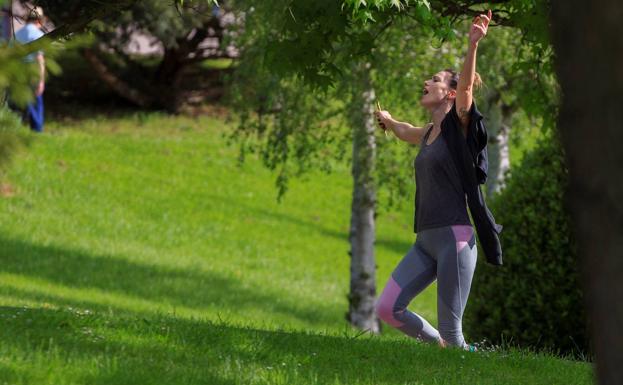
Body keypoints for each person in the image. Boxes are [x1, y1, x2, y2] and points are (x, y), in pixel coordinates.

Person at [374, 10, 502, 351]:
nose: (426, 82)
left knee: (453, 332)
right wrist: (387, 120)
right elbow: (405, 132)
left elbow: (466, 102)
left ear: (448, 93)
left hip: (455, 240)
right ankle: (444, 351)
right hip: (425, 239)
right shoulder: (428, 132)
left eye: (434, 79)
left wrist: (472, 45)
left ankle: (467, 361)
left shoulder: (456, 127)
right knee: (387, 308)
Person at [14, 6, 46, 132]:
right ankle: (37, 130)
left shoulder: (17, 34)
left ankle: (15, 128)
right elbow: (39, 59)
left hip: (19, 71)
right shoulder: (38, 34)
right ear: (40, 20)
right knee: (36, 101)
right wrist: (41, 80)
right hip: (32, 70)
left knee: (19, 102)